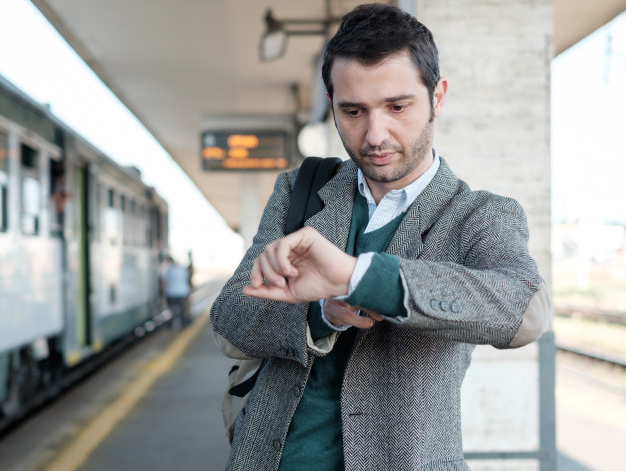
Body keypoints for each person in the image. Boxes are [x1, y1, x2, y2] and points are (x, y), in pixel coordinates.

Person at [210, 4, 552, 471]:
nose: (375, 134)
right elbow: (230, 316)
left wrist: (359, 276)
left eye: (397, 107)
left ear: (438, 96)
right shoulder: (300, 192)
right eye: (353, 111)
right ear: (332, 104)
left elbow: (525, 311)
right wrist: (320, 315)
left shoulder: (480, 215)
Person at [163, 255, 191, 329]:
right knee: (183, 309)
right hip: (182, 292)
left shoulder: (168, 270)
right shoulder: (182, 269)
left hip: (171, 293)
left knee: (172, 310)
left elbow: (164, 281)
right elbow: (187, 279)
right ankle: (184, 323)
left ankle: (172, 324)